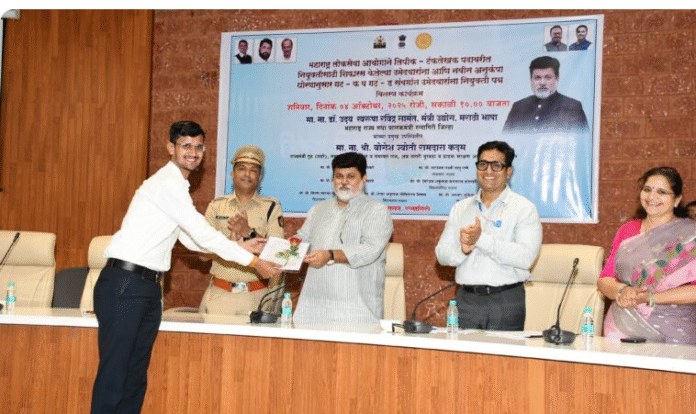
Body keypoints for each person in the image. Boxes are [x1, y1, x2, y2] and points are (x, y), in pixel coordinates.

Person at [90, 121, 281, 414]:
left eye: (198, 146)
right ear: (171, 148)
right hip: (125, 284)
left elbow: (191, 240)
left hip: (147, 288)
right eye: (186, 145)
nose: (193, 152)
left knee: (134, 377)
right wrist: (254, 261)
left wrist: (243, 248)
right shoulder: (166, 184)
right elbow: (202, 234)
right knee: (115, 375)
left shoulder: (178, 188)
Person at [436, 141, 542, 331]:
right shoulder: (460, 208)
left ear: (508, 171)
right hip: (466, 300)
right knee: (460, 351)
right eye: (483, 164)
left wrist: (480, 239)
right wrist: (462, 250)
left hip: (506, 300)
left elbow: (526, 257)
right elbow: (441, 255)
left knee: (503, 352)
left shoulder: (524, 209)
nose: (488, 171)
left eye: (497, 165)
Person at [598, 166, 696, 344]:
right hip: (624, 325)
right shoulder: (628, 230)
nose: (652, 197)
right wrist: (623, 290)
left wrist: (650, 297)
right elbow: (605, 279)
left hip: (675, 329)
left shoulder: (690, 236)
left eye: (662, 192)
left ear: (677, 199)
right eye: (647, 189)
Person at [292, 152, 393, 325]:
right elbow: (303, 238)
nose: (344, 181)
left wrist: (330, 255)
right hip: (313, 309)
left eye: (351, 176)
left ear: (364, 179)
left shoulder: (377, 210)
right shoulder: (318, 209)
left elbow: (370, 249)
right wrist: (283, 247)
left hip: (356, 311)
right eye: (339, 176)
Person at [201, 145, 285, 315]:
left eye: (253, 170)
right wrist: (229, 244)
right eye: (241, 169)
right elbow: (202, 254)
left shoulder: (271, 207)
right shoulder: (216, 206)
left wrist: (248, 233)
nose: (247, 174)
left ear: (260, 177)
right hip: (219, 295)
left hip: (256, 297)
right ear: (232, 174)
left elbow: (279, 255)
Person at [503, 56, 588, 133]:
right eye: (537, 78)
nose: (542, 83)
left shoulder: (572, 107)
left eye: (548, 77)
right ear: (531, 80)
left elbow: (581, 141)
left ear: (557, 79)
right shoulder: (518, 107)